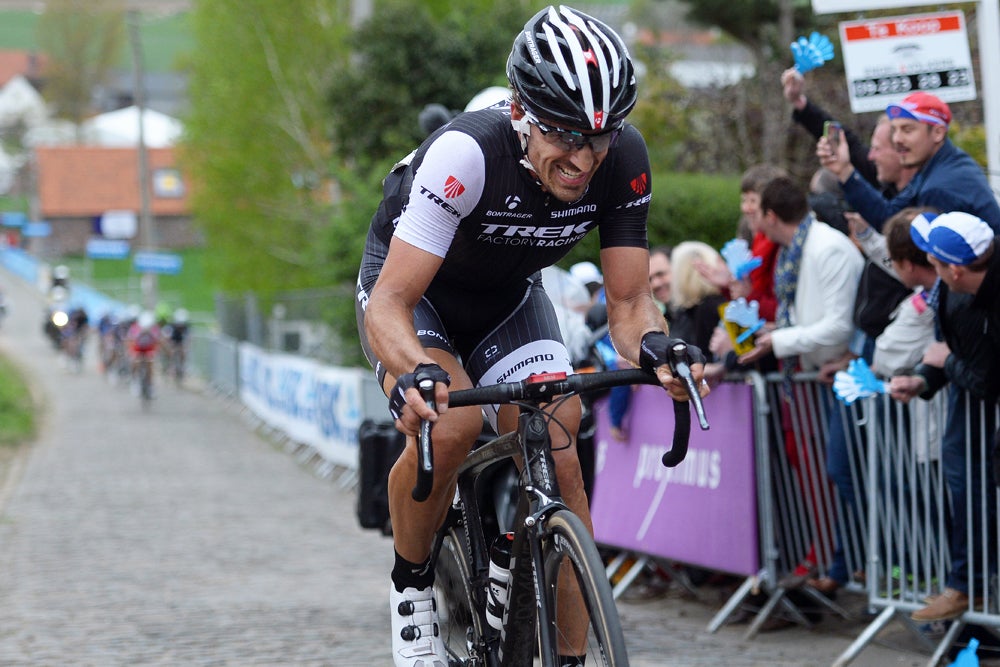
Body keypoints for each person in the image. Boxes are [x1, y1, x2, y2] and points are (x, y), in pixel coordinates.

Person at [354, 7, 708, 666]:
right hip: (415, 297)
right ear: (521, 111)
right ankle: (411, 587)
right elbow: (391, 301)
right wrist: (413, 368)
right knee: (450, 427)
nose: (583, 159)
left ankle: (564, 650)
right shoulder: (466, 154)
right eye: (566, 137)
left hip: (507, 301)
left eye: (599, 140)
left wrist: (657, 345)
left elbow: (630, 299)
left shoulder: (622, 159)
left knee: (562, 437)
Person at [739, 176, 865, 595]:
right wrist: (778, 330)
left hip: (841, 378)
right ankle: (844, 563)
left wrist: (780, 338)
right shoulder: (800, 248)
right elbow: (809, 318)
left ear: (772, 216)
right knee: (831, 474)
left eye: (759, 215)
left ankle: (861, 565)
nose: (756, 224)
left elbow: (837, 327)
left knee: (844, 474)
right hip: (814, 378)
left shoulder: (827, 247)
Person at [888, 211, 1000, 621]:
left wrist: (947, 362)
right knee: (962, 483)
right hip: (967, 407)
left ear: (954, 269)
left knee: (974, 487)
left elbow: (985, 376)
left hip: (982, 410)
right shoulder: (958, 291)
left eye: (933, 264)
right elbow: (951, 354)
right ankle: (967, 584)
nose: (928, 271)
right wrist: (922, 379)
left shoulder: (978, 300)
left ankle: (971, 585)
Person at [820, 91, 1000, 232]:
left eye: (907, 130)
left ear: (937, 133)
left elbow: (939, 267)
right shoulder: (939, 165)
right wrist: (844, 170)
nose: (897, 139)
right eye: (895, 130)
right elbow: (890, 217)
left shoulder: (940, 187)